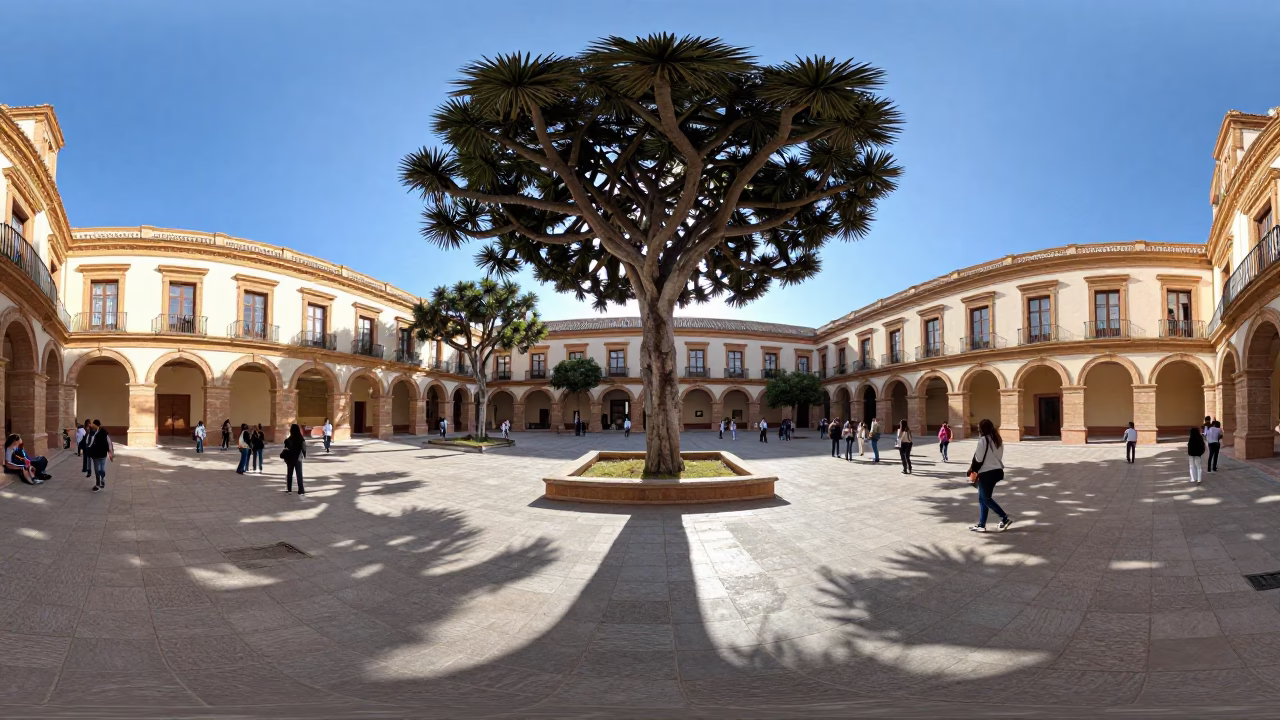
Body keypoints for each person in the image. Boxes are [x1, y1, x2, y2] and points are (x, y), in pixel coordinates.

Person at [968, 418, 1012, 532]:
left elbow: (978, 458)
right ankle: (981, 525)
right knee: (982, 498)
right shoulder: (997, 439)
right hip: (996, 471)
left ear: (982, 429)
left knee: (986, 498)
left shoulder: (983, 440)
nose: (978, 430)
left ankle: (1004, 518)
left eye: (979, 428)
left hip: (986, 473)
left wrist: (972, 470)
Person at [86, 420, 114, 492]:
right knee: (102, 468)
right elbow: (109, 443)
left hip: (96, 454)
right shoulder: (105, 433)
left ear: (95, 425)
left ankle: (98, 484)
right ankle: (103, 479)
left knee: (97, 470)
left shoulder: (94, 433)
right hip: (103, 454)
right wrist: (110, 452)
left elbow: (89, 443)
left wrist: (88, 449)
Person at [282, 423, 307, 495]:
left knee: (289, 474)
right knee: (299, 474)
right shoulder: (301, 438)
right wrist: (304, 455)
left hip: (290, 459)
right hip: (298, 459)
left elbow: (285, 449)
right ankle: (301, 490)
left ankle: (289, 489)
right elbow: (304, 447)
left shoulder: (288, 440)